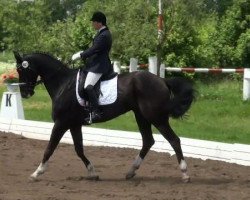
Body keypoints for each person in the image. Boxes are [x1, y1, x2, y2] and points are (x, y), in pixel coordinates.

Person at [72, 11, 113, 121]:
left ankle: (96, 112)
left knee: (88, 86)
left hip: (100, 65)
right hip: (95, 64)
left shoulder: (104, 35)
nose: (92, 24)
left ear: (99, 22)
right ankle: (87, 109)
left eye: (94, 22)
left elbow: (95, 49)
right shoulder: (101, 33)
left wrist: (81, 55)